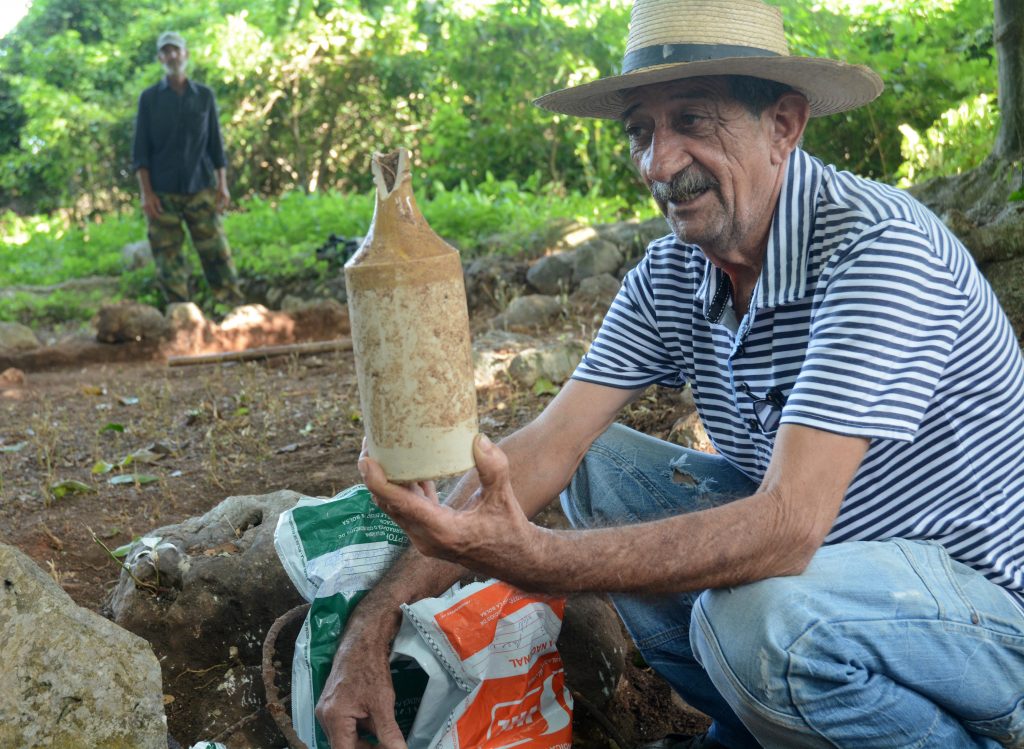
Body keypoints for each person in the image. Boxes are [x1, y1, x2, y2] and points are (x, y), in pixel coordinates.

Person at [317, 0, 1024, 746]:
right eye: (641, 132)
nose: (658, 163)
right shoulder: (673, 273)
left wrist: (542, 557)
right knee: (598, 465)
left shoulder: (878, 252)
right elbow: (550, 443)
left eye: (693, 120)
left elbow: (789, 528)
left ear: (784, 124)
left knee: (758, 623)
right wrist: (380, 615)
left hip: (983, 624)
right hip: (836, 579)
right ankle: (758, 729)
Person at [132, 31, 242, 307]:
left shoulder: (204, 96)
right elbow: (140, 151)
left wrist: (222, 184)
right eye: (166, 51)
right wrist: (146, 194)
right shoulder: (149, 99)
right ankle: (180, 314)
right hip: (162, 192)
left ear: (185, 54)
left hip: (201, 186)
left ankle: (232, 309)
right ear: (160, 58)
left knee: (216, 251)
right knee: (168, 257)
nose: (172, 56)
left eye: (176, 50)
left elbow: (216, 144)